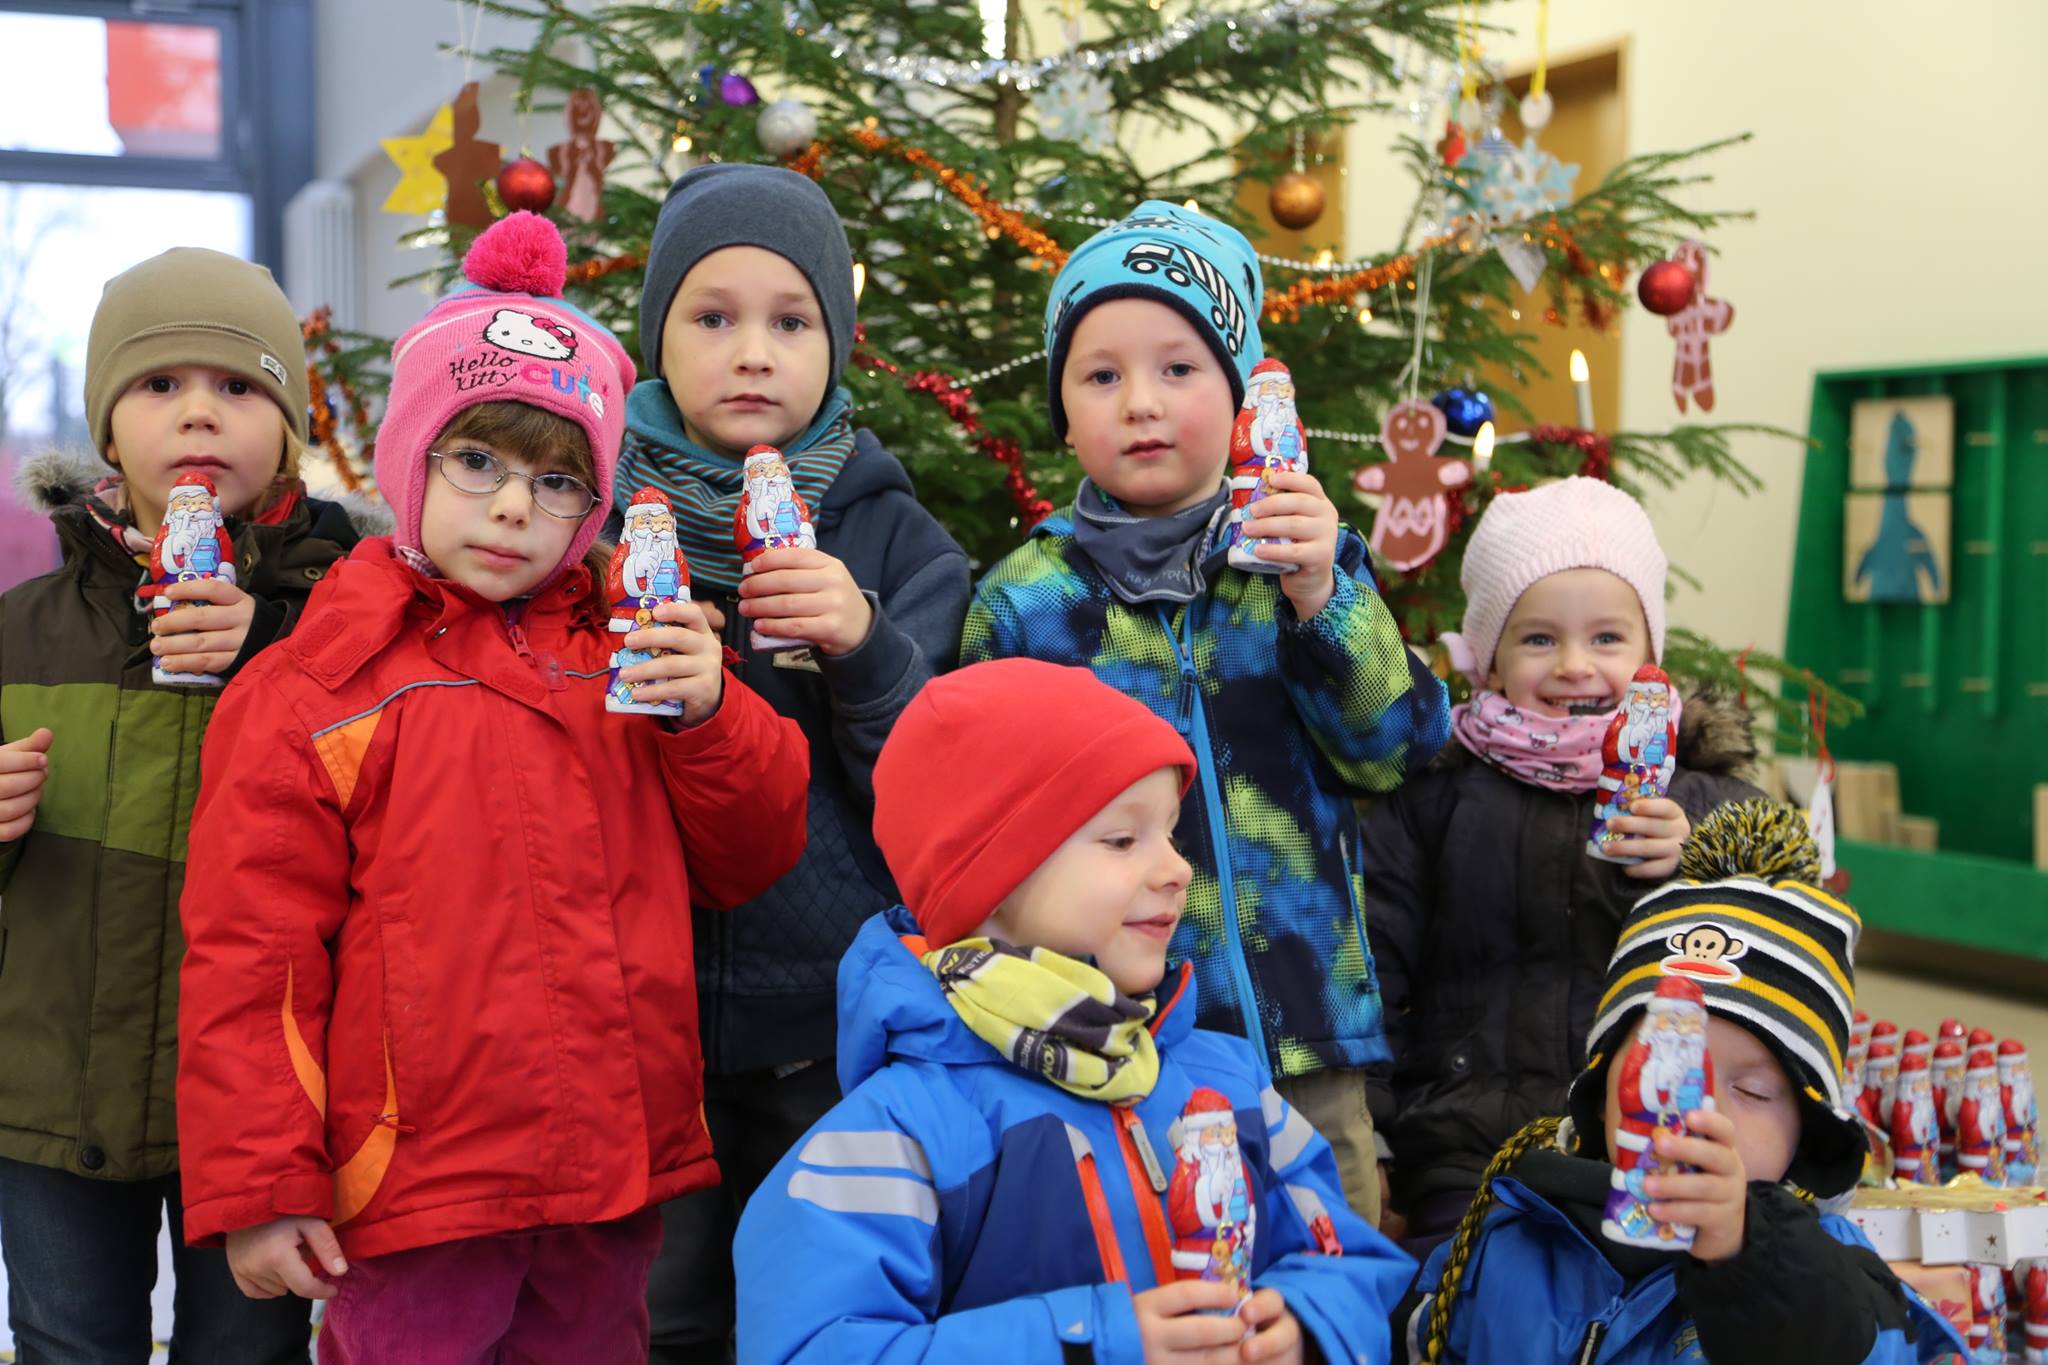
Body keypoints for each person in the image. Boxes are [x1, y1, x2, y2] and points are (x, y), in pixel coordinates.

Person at [172, 211, 809, 1364]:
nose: (516, 507)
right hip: (416, 1193)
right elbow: (249, 956)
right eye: (478, 462)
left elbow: (749, 853)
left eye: (560, 480)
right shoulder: (312, 688)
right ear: (413, 459)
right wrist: (266, 1183)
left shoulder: (634, 650)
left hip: (609, 1178)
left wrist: (712, 712)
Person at [961, 201, 1450, 1225]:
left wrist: (1326, 597)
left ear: (1235, 396)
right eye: (1100, 375)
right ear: (1061, 408)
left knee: (1335, 1284)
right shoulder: (1024, 599)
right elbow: (983, 839)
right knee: (1164, 1279)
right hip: (1122, 1048)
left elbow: (1390, 750)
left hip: (1308, 1038)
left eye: (1177, 369)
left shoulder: (1302, 562)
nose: (1139, 402)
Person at [734, 658, 1416, 1363]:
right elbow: (810, 1346)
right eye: (1122, 839)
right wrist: (1096, 1342)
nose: (1178, 867)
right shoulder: (900, 1131)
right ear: (989, 880)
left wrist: (1304, 1321)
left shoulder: (1230, 1079)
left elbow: (1348, 1256)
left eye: (1172, 834)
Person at [619, 162, 971, 1356]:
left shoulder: (889, 534)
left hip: (826, 1021)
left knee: (815, 1313)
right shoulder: (597, 515)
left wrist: (863, 645)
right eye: (711, 319)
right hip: (636, 1016)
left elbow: (941, 789)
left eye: (789, 320)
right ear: (657, 337)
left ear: (839, 342)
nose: (751, 352)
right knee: (655, 1322)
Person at [0, 246, 363, 1362]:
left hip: (269, 1106)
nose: (200, 413)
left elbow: (414, 796)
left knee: (247, 1351)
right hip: (58, 1092)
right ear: (110, 433)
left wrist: (273, 648)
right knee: (68, 1341)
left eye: (240, 386)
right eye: (160, 387)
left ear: (289, 429)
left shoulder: (351, 615)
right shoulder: (21, 629)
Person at [1395, 799, 1967, 1364]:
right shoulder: (1509, 1233)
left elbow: (1872, 1347)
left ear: (1809, 1132)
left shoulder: (1837, 1278)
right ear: (1602, 1090)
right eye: (1662, 1066)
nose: (1695, 1109)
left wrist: (1749, 1257)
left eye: (1752, 1091)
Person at [1361, 477, 1762, 1243]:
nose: (1575, 664)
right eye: (1539, 638)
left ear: (1651, 654)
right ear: (1490, 659)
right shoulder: (1435, 797)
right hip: (1465, 1145)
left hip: (1654, 1140)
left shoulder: (1703, 796)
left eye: (1607, 638)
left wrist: (1702, 853)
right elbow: (1367, 967)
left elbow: (1786, 918)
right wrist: (1374, 1133)